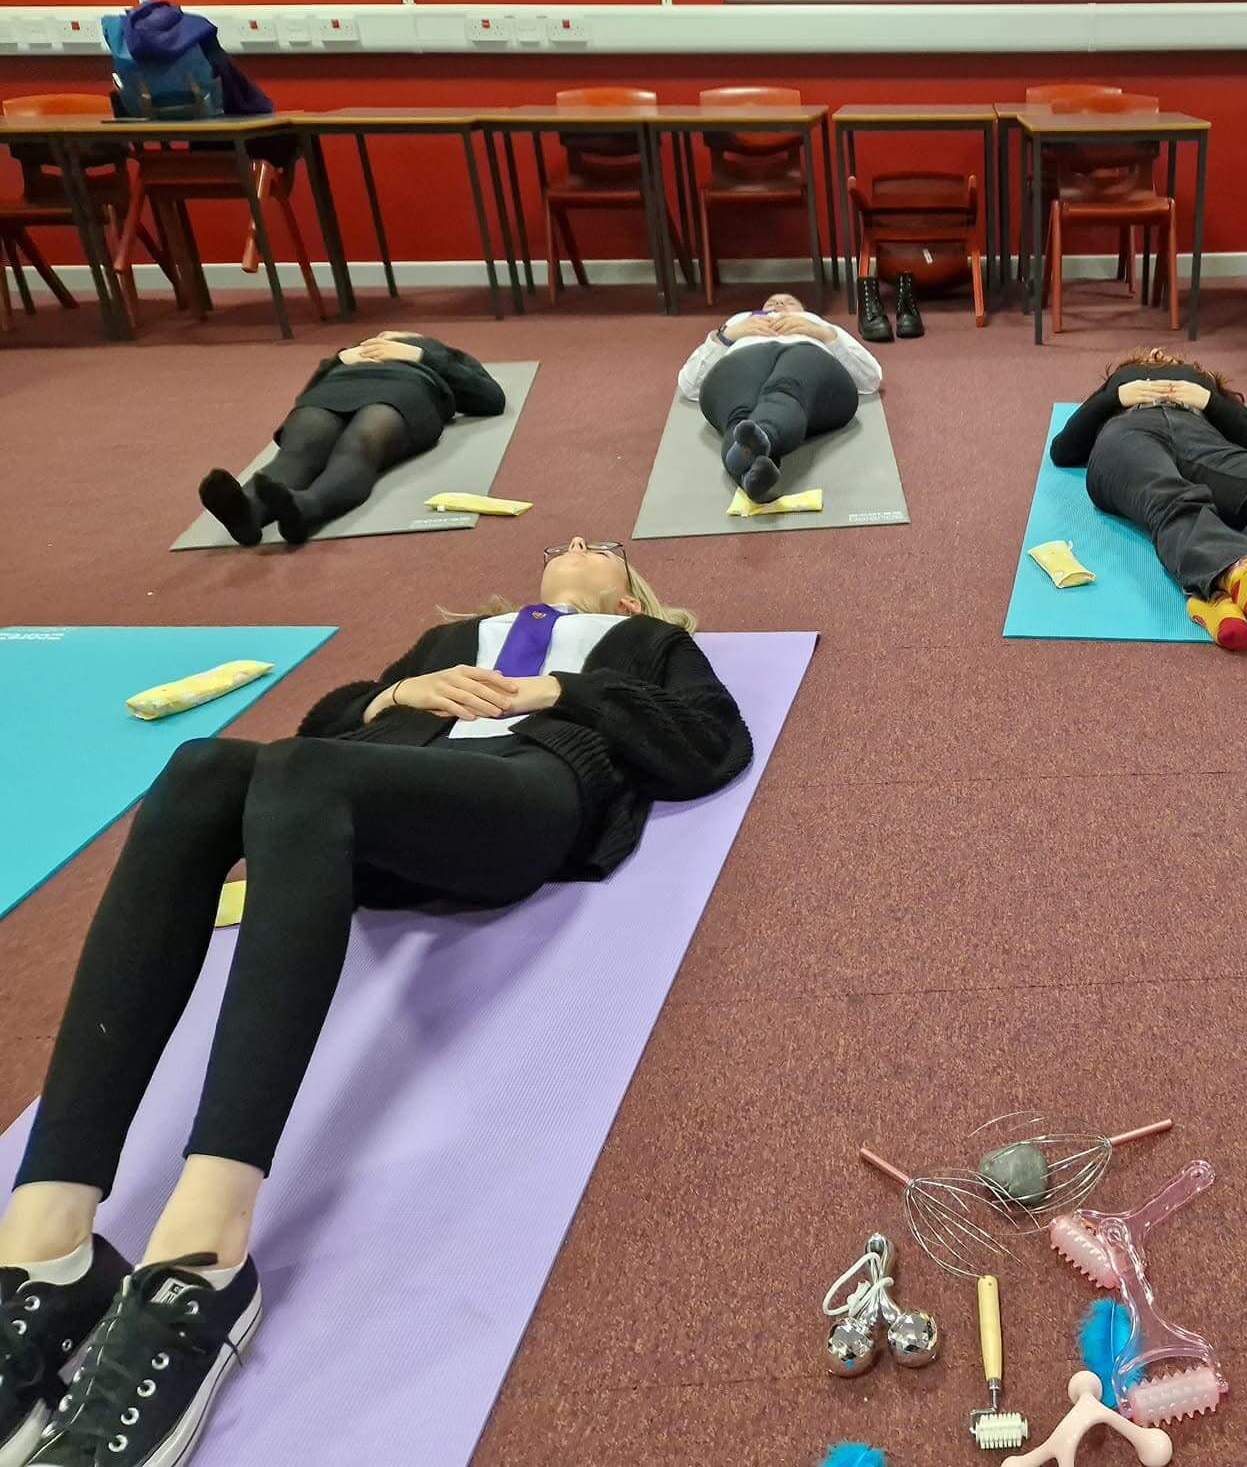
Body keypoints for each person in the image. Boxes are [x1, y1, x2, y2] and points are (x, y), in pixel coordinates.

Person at [0, 541, 750, 1467]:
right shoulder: (453, 635)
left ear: (632, 591)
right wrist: (399, 697)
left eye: (602, 548)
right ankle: (45, 1249)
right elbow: (331, 720)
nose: (575, 546)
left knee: (301, 773)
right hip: (369, 802)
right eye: (559, 543)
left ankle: (201, 1256)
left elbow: (712, 742)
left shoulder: (648, 644)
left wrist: (561, 695)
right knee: (202, 766)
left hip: (521, 794)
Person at [1049, 347, 1247, 651]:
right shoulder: (1120, 384)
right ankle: (1235, 576)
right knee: (1173, 496)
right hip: (1127, 432)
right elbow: (1063, 450)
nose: (1159, 353)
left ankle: (1219, 594)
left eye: (1173, 360)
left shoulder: (1203, 384)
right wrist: (1115, 397)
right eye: (1150, 358)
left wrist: (1208, 400)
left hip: (1200, 436)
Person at [197, 331, 505, 547]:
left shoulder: (438, 351)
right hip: (338, 386)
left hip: (406, 387)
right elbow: (305, 394)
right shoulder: (352, 352)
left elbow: (490, 398)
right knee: (299, 449)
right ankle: (247, 512)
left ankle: (306, 508)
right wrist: (338, 360)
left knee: (359, 444)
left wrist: (420, 353)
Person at [678, 292, 883, 505]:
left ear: (804, 311)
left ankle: (757, 442)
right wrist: (726, 336)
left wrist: (822, 333)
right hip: (742, 359)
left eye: (789, 302)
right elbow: (689, 384)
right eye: (771, 302)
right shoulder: (740, 320)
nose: (779, 305)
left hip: (806, 356)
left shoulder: (815, 322)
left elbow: (870, 379)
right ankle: (752, 470)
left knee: (784, 392)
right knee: (739, 414)